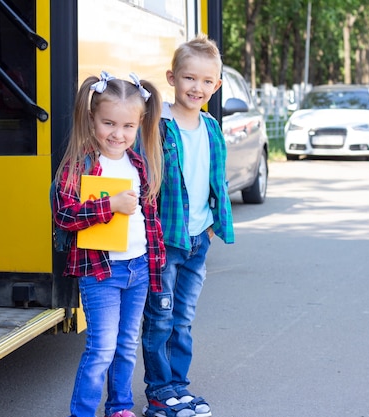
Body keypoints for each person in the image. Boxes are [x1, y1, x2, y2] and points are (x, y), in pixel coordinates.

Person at [53, 71, 166, 417]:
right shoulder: (82, 163)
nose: (118, 134)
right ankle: (83, 412)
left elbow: (149, 219)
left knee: (126, 345)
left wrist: (155, 264)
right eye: (108, 124)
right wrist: (110, 205)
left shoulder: (139, 164)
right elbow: (64, 215)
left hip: (138, 269)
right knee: (101, 346)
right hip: (100, 272)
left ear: (140, 124)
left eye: (128, 127)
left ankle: (119, 407)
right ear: (92, 119)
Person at [140, 34, 235, 417]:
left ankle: (178, 387)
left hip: (198, 239)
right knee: (160, 317)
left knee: (183, 319)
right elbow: (145, 180)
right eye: (189, 78)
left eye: (206, 81)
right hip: (165, 241)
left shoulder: (211, 127)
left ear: (217, 85)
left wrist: (212, 223)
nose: (197, 87)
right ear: (172, 78)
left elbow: (217, 178)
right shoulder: (158, 126)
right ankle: (159, 391)